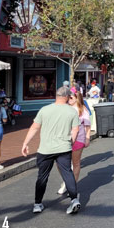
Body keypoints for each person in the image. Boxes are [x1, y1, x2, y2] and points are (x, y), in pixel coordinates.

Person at [21, 86, 81, 215]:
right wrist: (71, 142)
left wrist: (25, 143)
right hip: (64, 147)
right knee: (67, 173)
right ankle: (74, 199)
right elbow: (75, 129)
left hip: (45, 149)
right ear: (67, 97)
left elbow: (34, 127)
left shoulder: (45, 110)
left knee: (42, 176)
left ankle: (37, 204)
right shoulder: (72, 111)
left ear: (57, 96)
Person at [57, 92, 91, 195]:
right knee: (60, 163)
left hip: (78, 139)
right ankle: (67, 182)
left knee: (75, 163)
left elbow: (87, 126)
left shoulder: (82, 110)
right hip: (64, 140)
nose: (69, 99)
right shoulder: (64, 108)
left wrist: (87, 138)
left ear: (76, 98)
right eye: (67, 97)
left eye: (71, 97)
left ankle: (72, 186)